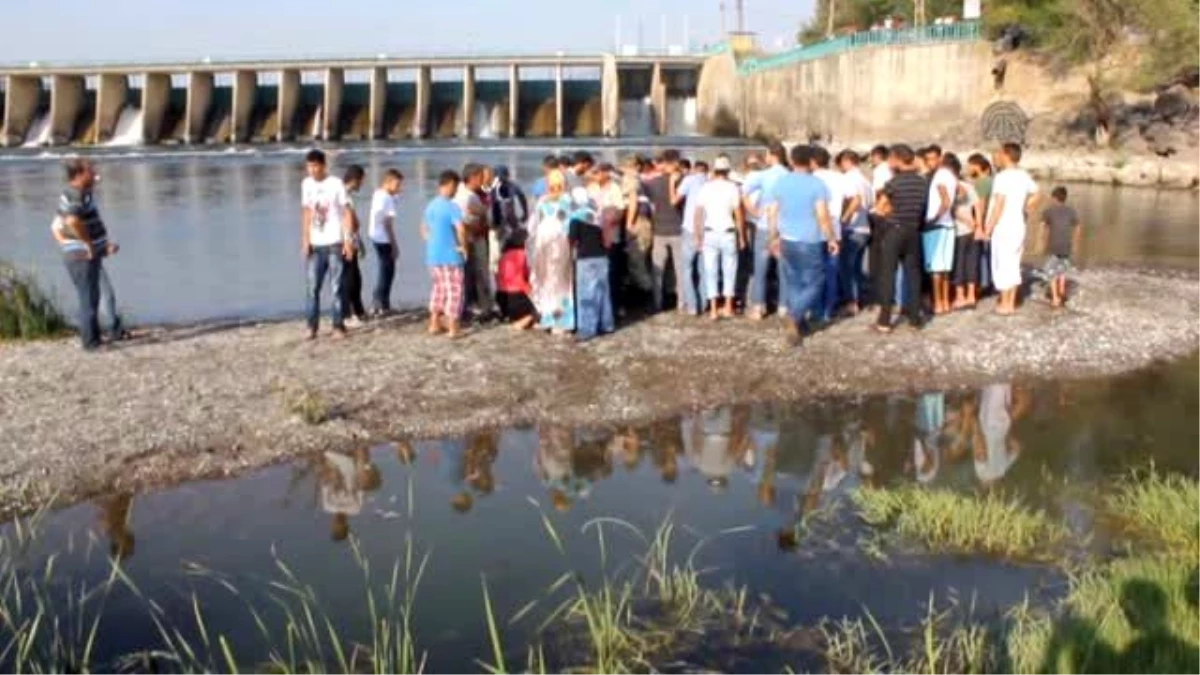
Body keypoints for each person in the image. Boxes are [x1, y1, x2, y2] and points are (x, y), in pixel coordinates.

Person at [765, 144, 839, 347]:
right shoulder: (817, 184)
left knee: (795, 282)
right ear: (811, 161)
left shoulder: (781, 182)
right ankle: (794, 314)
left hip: (787, 239)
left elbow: (772, 211)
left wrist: (773, 237)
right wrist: (831, 238)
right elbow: (823, 215)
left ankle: (798, 324)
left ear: (791, 160)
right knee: (816, 281)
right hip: (810, 240)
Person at [55, 159, 122, 350]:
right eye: (91, 171)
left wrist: (102, 245)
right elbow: (73, 221)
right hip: (82, 255)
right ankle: (91, 342)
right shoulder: (76, 194)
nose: (95, 173)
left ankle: (95, 338)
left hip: (81, 252)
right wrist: (88, 245)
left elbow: (58, 226)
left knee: (91, 297)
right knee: (88, 298)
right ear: (79, 174)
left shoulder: (79, 193)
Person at [873, 144, 927, 333]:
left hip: (894, 230)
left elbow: (880, 208)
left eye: (890, 159)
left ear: (896, 159)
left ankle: (885, 320)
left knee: (888, 274)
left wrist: (888, 214)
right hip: (914, 230)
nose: (888, 162)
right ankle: (914, 319)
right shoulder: (922, 182)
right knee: (913, 275)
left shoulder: (894, 182)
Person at [301, 149, 354, 340]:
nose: (312, 170)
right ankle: (311, 326)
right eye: (309, 166)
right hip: (316, 244)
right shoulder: (306, 184)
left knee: (336, 286)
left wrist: (348, 240)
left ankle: (338, 325)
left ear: (323, 165)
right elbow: (307, 211)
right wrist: (305, 239)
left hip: (334, 242)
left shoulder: (336, 184)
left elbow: (346, 212)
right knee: (312, 287)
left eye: (315, 166)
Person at [983, 143, 1038, 316]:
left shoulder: (1002, 177)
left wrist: (988, 227)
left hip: (1004, 226)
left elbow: (999, 204)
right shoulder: (1023, 175)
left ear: (1006, 155)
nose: (997, 157)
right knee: (1014, 263)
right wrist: (1025, 208)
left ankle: (1005, 303)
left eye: (999, 153)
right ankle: (1011, 302)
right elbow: (1037, 193)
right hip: (1018, 224)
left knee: (1002, 263)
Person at [742, 144, 790, 320]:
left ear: (771, 155)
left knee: (760, 268)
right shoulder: (790, 175)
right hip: (785, 228)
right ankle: (784, 307)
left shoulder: (764, 175)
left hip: (764, 225)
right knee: (783, 269)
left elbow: (744, 191)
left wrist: (753, 211)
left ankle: (758, 307)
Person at [694, 155, 745, 320]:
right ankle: (729, 306)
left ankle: (714, 309)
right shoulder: (733, 188)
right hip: (728, 231)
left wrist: (698, 235)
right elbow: (738, 214)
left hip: (709, 231)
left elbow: (698, 213)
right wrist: (742, 236)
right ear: (728, 171)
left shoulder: (705, 188)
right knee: (730, 270)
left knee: (711, 271)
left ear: (714, 170)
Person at [422, 170, 467, 339]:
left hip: (433, 255)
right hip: (450, 255)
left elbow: (424, 228)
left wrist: (432, 240)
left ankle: (434, 322)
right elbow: (461, 229)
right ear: (449, 185)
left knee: (439, 288)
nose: (456, 192)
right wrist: (463, 247)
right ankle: (453, 327)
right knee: (455, 290)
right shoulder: (452, 207)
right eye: (455, 187)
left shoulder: (431, 205)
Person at [529, 170, 576, 334]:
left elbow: (533, 225)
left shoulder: (552, 201)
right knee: (555, 281)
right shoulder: (562, 200)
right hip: (553, 244)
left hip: (552, 244)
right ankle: (554, 318)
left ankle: (556, 318)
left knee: (554, 281)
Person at [811, 146, 853, 321]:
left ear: (812, 161)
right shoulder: (839, 177)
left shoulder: (810, 178)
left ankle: (816, 309)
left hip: (814, 226)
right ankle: (829, 310)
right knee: (831, 270)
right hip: (835, 225)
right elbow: (853, 198)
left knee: (814, 271)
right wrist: (845, 217)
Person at [644, 150, 687, 312]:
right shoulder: (684, 181)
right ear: (676, 162)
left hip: (659, 230)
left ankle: (657, 303)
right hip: (678, 229)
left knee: (658, 269)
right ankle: (682, 303)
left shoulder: (653, 183)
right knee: (680, 269)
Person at [569, 187, 614, 340]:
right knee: (602, 292)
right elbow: (607, 240)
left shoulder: (576, 217)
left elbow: (572, 240)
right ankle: (606, 324)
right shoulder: (598, 215)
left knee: (586, 295)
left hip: (585, 258)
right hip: (601, 256)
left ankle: (587, 329)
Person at [455, 164, 495, 319]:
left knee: (467, 274)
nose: (483, 181)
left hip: (465, 238)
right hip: (473, 238)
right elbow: (485, 215)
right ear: (472, 178)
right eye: (480, 177)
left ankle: (469, 305)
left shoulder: (461, 192)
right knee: (480, 273)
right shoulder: (469, 196)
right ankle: (485, 307)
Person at [837, 150, 874, 314]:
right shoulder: (866, 180)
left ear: (846, 161)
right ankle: (859, 298)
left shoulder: (849, 179)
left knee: (847, 268)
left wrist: (844, 218)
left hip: (853, 228)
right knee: (857, 267)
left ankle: (851, 302)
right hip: (865, 227)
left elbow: (855, 199)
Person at [923, 153, 958, 315]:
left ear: (940, 160)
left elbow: (945, 201)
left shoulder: (940, 176)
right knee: (945, 267)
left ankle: (938, 303)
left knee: (935, 268)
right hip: (949, 225)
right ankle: (945, 302)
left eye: (930, 159)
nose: (928, 163)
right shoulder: (952, 176)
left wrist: (934, 218)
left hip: (937, 225)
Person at [1039, 186, 1083, 308]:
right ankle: (1062, 291)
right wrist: (1075, 243)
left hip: (1054, 246)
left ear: (1054, 198)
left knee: (1051, 272)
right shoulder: (1071, 210)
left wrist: (1042, 243)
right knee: (1062, 270)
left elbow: (1043, 227)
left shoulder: (1048, 211)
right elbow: (1078, 226)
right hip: (1067, 245)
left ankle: (1055, 298)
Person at [368, 169, 403, 315]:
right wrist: (394, 244)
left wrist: (395, 195)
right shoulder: (387, 199)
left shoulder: (378, 194)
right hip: (383, 238)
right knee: (387, 272)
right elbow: (388, 223)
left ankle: (383, 304)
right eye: (397, 185)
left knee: (385, 270)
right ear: (388, 182)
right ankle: (379, 304)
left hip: (374, 236)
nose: (399, 188)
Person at [677, 159, 709, 315]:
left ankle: (692, 306)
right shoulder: (710, 182)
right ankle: (703, 303)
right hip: (707, 229)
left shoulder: (689, 180)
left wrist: (671, 184)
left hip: (689, 227)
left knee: (687, 268)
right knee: (704, 269)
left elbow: (676, 198)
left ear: (695, 169)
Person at [950, 156, 983, 310]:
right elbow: (978, 205)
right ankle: (971, 296)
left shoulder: (951, 186)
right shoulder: (969, 186)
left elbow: (952, 209)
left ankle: (960, 296)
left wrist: (967, 220)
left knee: (959, 264)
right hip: (973, 230)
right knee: (972, 263)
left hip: (959, 230)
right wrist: (978, 224)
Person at [340, 165, 368, 327]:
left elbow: (354, 222)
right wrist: (350, 242)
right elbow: (348, 221)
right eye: (362, 181)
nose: (362, 184)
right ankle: (348, 314)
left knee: (355, 277)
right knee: (349, 279)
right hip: (345, 242)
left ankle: (358, 311)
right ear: (355, 179)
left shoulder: (346, 195)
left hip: (350, 240)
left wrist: (359, 240)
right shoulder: (344, 196)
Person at [496, 229, 536, 330]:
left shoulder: (504, 255)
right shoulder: (523, 255)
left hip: (502, 297)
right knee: (543, 306)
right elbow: (524, 279)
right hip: (517, 296)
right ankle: (526, 319)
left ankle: (516, 318)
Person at [967, 153, 996, 293]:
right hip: (991, 220)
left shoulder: (982, 182)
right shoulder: (991, 180)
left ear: (977, 166)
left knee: (982, 252)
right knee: (988, 251)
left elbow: (981, 204)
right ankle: (989, 281)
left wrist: (979, 224)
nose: (967, 169)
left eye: (970, 166)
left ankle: (984, 283)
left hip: (983, 220)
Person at [489, 165, 528, 246]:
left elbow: (522, 198)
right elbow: (522, 198)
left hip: (509, 219)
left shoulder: (512, 186)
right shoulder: (494, 188)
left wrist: (525, 213)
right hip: (501, 220)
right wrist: (525, 213)